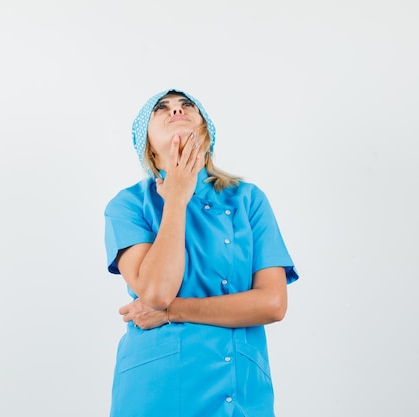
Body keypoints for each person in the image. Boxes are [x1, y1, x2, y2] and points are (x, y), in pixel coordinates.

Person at [103, 88, 298, 417]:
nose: (176, 111)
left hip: (240, 393)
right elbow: (156, 290)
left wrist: (171, 312)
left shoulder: (247, 200)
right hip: (157, 392)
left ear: (206, 132)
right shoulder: (128, 205)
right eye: (161, 108)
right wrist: (177, 196)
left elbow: (272, 304)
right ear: (147, 146)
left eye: (187, 106)